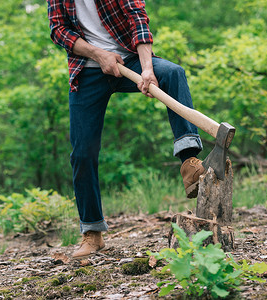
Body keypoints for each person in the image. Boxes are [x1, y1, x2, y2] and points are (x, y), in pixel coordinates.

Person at [47, 0, 205, 258]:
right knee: (82, 153)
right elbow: (58, 30)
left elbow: (137, 18)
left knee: (173, 73)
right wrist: (99, 55)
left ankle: (189, 162)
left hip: (130, 60)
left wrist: (147, 69)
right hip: (86, 71)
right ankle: (92, 233)